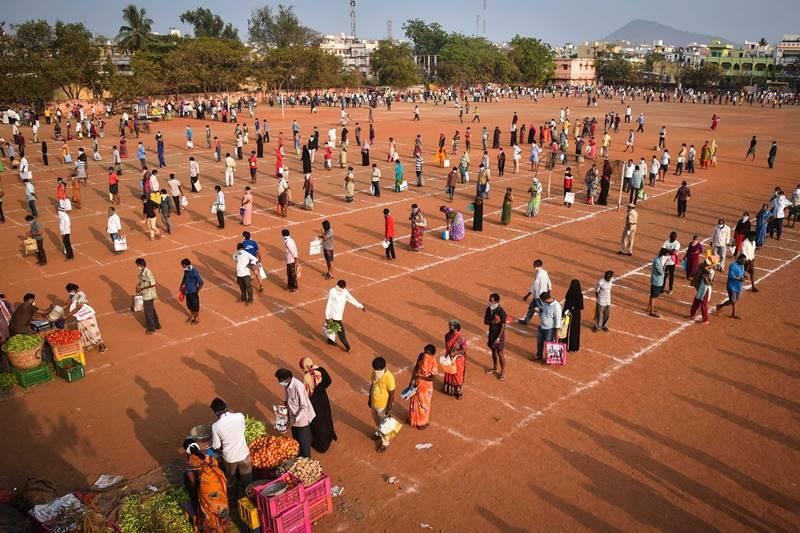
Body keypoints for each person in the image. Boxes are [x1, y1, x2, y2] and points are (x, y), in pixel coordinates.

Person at [181, 438, 230, 532]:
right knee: (221, 503)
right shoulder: (207, 455)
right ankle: (224, 527)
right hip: (220, 480)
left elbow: (192, 481)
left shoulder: (190, 463)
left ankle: (214, 529)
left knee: (210, 509)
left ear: (187, 451)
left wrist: (194, 492)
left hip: (207, 487)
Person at [209, 398, 253, 501]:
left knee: (230, 480)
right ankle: (251, 499)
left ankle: (233, 502)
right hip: (244, 454)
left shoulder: (215, 426)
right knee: (248, 479)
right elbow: (243, 429)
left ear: (215, 412)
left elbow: (216, 445)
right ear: (226, 407)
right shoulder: (239, 416)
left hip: (230, 459)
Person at [275, 368, 316, 458]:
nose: (279, 382)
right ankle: (299, 458)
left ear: (288, 378)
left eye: (280, 380)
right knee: (297, 442)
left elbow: (304, 407)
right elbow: (291, 399)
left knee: (304, 444)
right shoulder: (287, 385)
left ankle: (306, 462)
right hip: (293, 418)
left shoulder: (298, 387)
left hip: (301, 421)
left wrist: (294, 420)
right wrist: (285, 402)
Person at [299, 357, 337, 453]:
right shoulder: (321, 370)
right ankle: (329, 436)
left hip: (313, 402)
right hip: (323, 398)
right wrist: (321, 388)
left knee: (317, 422)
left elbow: (307, 393)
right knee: (326, 417)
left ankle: (322, 445)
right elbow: (329, 381)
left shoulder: (307, 377)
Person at [63, 283, 108, 352]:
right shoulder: (72, 295)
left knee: (93, 330)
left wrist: (67, 315)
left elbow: (78, 307)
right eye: (68, 291)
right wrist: (57, 309)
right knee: (83, 330)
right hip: (80, 315)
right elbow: (66, 305)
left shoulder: (81, 295)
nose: (70, 292)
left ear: (75, 289)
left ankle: (102, 345)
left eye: (70, 291)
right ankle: (89, 345)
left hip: (87, 315)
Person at [324, 279, 366, 352]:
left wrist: (360, 306)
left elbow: (351, 299)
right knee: (341, 332)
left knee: (332, 329)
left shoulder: (345, 292)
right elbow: (329, 303)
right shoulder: (332, 291)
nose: (342, 289)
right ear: (337, 286)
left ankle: (330, 340)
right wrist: (327, 316)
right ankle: (347, 346)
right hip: (333, 316)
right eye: (341, 287)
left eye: (343, 287)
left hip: (338, 316)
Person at [369, 356, 396, 453]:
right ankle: (380, 432)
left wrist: (388, 410)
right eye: (374, 369)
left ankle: (385, 442)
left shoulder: (389, 377)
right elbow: (372, 385)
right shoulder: (374, 373)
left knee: (384, 424)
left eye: (377, 369)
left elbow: (392, 394)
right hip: (374, 402)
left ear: (383, 368)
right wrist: (369, 399)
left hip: (383, 406)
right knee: (376, 420)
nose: (376, 371)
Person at [408, 344, 438, 429]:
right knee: (414, 402)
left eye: (428, 353)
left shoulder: (433, 362)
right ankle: (413, 419)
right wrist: (412, 380)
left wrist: (420, 377)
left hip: (425, 387)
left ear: (432, 354)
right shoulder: (421, 356)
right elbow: (416, 368)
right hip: (417, 384)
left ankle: (422, 422)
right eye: (425, 352)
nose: (426, 355)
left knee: (423, 404)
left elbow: (433, 378)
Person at [519, 259, 552, 325]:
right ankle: (526, 321)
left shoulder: (539, 274)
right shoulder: (545, 272)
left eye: (535, 265)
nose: (534, 267)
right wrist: (548, 293)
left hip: (538, 296)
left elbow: (535, 285)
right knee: (531, 308)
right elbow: (549, 283)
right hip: (542, 295)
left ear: (538, 266)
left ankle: (546, 324)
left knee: (541, 311)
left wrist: (527, 295)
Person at [484, 293, 507, 380]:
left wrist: (498, 338)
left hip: (499, 335)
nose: (489, 302)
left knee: (500, 352)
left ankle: (503, 372)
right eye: (489, 300)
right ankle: (495, 368)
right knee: (493, 350)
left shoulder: (502, 312)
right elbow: (485, 321)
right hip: (491, 333)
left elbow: (503, 326)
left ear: (496, 301)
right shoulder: (488, 309)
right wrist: (492, 322)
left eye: (491, 301)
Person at [442, 320, 467, 399]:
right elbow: (447, 346)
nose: (449, 328)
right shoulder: (447, 335)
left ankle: (458, 391)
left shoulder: (461, 338)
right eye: (449, 327)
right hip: (450, 357)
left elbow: (464, 350)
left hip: (458, 359)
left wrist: (455, 353)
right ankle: (449, 389)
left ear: (456, 328)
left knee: (457, 375)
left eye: (451, 327)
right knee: (449, 372)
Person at [716, 255, 747, 319]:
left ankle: (732, 313)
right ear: (739, 259)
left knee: (735, 300)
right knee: (733, 300)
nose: (744, 262)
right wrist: (739, 279)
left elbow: (742, 273)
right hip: (731, 286)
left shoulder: (742, 266)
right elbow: (731, 276)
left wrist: (744, 276)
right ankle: (720, 306)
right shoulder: (732, 266)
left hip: (738, 285)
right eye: (743, 261)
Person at [135, 258, 161, 333]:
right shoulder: (141, 272)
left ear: (141, 265)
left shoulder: (148, 272)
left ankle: (151, 328)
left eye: (138, 265)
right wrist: (139, 286)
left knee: (147, 311)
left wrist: (142, 288)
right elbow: (141, 281)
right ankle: (157, 324)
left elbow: (152, 284)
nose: (137, 267)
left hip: (148, 294)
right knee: (151, 309)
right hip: (146, 293)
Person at [534, 292, 562, 361]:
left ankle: (549, 358)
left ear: (548, 298)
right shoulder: (545, 303)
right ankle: (539, 355)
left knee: (549, 344)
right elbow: (543, 310)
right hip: (541, 326)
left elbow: (557, 320)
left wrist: (557, 332)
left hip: (549, 329)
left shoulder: (556, 306)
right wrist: (539, 310)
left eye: (543, 300)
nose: (543, 302)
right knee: (539, 342)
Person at [690, 255, 717, 324]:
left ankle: (706, 319)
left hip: (706, 289)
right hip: (702, 286)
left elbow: (706, 269)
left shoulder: (711, 271)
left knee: (703, 304)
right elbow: (702, 266)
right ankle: (692, 314)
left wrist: (712, 265)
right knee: (696, 300)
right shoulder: (705, 267)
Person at [179, 258, 203, 323]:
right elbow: (184, 277)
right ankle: (192, 315)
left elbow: (201, 282)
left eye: (183, 265)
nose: (182, 266)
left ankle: (196, 318)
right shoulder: (186, 270)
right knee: (189, 305)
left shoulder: (194, 272)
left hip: (193, 292)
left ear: (186, 265)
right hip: (187, 291)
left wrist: (198, 290)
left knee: (195, 306)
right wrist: (181, 285)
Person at [561, 280, 583, 352]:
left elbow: (567, 303)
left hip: (567, 313)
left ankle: (563, 344)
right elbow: (581, 306)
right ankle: (573, 347)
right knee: (574, 330)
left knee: (565, 328)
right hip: (575, 315)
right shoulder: (579, 295)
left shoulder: (569, 293)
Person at [647, 249, 669, 318]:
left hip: (657, 280)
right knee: (653, 296)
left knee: (652, 295)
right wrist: (666, 273)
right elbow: (660, 272)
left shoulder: (658, 259)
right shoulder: (657, 261)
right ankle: (651, 311)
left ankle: (649, 308)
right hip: (657, 281)